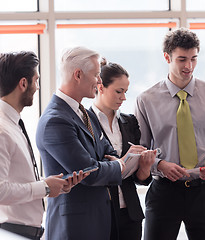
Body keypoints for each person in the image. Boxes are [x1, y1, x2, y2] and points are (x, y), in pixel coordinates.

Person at [0, 51, 85, 240]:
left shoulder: (10, 123)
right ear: (23, 83)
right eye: (37, 80)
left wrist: (51, 184)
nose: (38, 87)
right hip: (9, 233)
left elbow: (14, 178)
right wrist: (44, 187)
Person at [135, 28, 205, 240]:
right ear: (167, 57)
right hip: (164, 192)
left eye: (194, 59)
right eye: (182, 59)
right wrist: (159, 164)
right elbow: (140, 150)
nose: (189, 66)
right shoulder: (146, 100)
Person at [36, 47, 129, 240]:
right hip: (73, 227)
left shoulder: (84, 113)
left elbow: (108, 150)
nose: (99, 81)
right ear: (78, 75)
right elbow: (88, 172)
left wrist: (107, 162)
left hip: (96, 222)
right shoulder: (56, 120)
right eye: (96, 74)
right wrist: (119, 165)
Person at [90, 59, 156, 240]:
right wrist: (124, 161)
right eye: (118, 91)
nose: (124, 98)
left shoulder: (130, 122)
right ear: (100, 87)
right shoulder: (85, 122)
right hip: (100, 212)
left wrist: (144, 167)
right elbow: (91, 169)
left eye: (125, 92)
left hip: (130, 214)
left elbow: (140, 179)